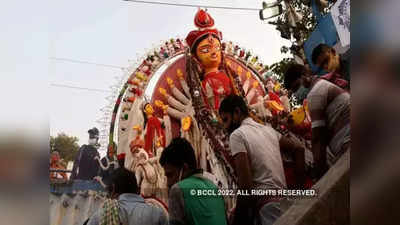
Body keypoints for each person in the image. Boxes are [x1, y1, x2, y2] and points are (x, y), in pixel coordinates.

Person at [218, 95, 306, 225]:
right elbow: (299, 149)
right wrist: (299, 193)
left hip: (267, 209)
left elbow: (246, 189)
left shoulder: (237, 135)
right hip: (286, 203)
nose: (225, 127)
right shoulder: (268, 130)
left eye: (226, 120)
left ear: (237, 112)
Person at [284, 63, 350, 179]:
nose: (296, 93)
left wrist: (321, 175)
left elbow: (318, 139)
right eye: (293, 91)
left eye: (296, 87)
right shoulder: (320, 85)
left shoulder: (315, 93)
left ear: (304, 76)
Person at [159, 137, 228, 225]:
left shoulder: (177, 190)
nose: (168, 183)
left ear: (184, 168)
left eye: (170, 175)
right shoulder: (214, 187)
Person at [86, 167, 167, 225]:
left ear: (113, 189)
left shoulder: (102, 215)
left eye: (108, 192)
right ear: (137, 189)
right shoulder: (157, 214)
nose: (108, 197)